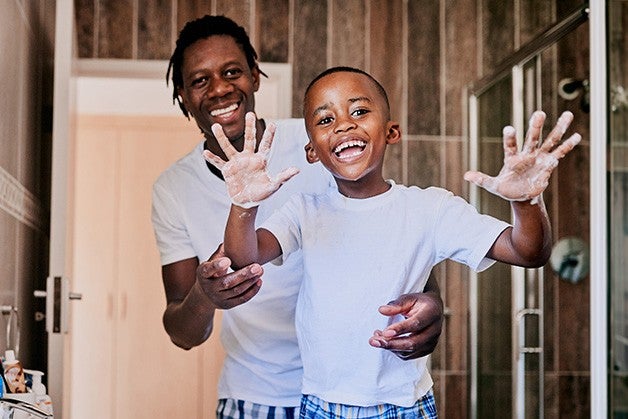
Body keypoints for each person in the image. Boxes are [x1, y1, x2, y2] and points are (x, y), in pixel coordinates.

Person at [204, 66, 581, 418]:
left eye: (359, 111)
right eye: (325, 120)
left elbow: (527, 251)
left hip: (405, 405)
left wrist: (526, 201)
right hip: (319, 403)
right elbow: (243, 258)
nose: (344, 125)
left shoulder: (431, 208)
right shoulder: (304, 211)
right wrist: (244, 204)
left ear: (391, 132)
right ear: (312, 152)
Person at [151, 16, 444, 418]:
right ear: (183, 96)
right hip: (255, 393)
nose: (219, 88)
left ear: (255, 76)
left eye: (232, 72)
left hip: (353, 390)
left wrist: (432, 304)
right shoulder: (172, 189)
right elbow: (182, 332)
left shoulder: (319, 140)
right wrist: (206, 294)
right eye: (200, 80)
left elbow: (393, 228)